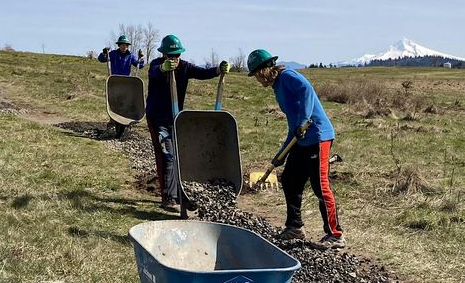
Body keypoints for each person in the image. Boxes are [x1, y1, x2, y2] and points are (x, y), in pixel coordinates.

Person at [247, 48, 343, 249]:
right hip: (301, 139)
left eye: (256, 74)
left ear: (265, 69)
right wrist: (282, 153)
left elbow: (306, 91)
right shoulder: (277, 87)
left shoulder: (288, 75)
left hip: (317, 136)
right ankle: (295, 227)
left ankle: (335, 234)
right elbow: (294, 125)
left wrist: (303, 121)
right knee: (290, 180)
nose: (257, 79)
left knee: (320, 187)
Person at [144, 34, 228, 211]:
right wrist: (163, 69)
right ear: (164, 54)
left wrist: (218, 70)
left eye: (176, 55)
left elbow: (202, 73)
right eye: (170, 55)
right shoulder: (155, 65)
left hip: (175, 119)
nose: (174, 59)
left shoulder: (185, 67)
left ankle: (179, 193)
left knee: (178, 156)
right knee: (166, 155)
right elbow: (154, 73)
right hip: (157, 118)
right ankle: (168, 197)